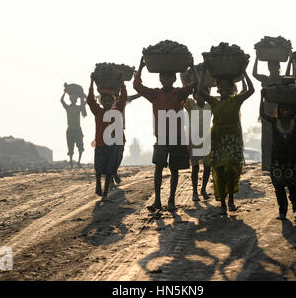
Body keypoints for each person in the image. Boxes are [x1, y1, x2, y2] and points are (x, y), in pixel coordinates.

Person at [133, 57, 197, 212]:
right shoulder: (155, 94)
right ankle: (157, 201)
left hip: (176, 137)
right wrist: (141, 66)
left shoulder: (180, 93)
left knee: (174, 169)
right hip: (161, 137)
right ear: (160, 79)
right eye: (163, 77)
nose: (166, 80)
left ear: (174, 79)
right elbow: (137, 86)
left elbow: (196, 84)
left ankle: (171, 200)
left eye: (169, 77)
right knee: (158, 167)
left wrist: (192, 67)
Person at [197, 65, 255, 215]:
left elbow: (252, 90)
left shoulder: (236, 101)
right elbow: (199, 91)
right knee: (220, 171)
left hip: (233, 139)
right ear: (217, 88)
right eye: (220, 86)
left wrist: (244, 72)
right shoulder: (214, 102)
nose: (223, 88)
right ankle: (223, 202)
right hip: (218, 139)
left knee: (231, 169)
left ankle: (231, 200)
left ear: (231, 89)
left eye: (226, 86)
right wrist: (203, 73)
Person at [259, 89, 296, 220]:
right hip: (277, 158)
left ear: (294, 109)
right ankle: (282, 211)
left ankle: (293, 201)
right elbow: (262, 113)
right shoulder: (274, 121)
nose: (285, 109)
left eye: (289, 107)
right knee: (278, 186)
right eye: (283, 107)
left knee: (293, 185)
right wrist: (261, 98)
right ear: (279, 109)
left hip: (293, 158)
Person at [253, 56, 296, 172]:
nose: (271, 67)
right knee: (267, 138)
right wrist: (257, 58)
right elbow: (254, 73)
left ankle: (280, 162)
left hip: (280, 110)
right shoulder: (265, 79)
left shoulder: (283, 79)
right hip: (267, 109)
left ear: (278, 66)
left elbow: (293, 76)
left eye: (274, 65)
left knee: (280, 136)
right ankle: (267, 164)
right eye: (270, 65)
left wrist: (292, 62)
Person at [87, 74, 127, 201]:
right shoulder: (98, 111)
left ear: (113, 101)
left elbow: (124, 98)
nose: (107, 103)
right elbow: (90, 100)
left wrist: (122, 83)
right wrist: (92, 82)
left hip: (113, 145)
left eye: (110, 101)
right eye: (105, 101)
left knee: (109, 170)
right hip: (100, 144)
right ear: (101, 102)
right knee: (98, 169)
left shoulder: (117, 111)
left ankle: (105, 193)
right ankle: (98, 184)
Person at [184, 88, 212, 202]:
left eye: (204, 94)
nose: (201, 97)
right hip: (194, 140)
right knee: (195, 167)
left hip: (206, 139)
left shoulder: (210, 106)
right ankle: (195, 192)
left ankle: (203, 189)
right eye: (198, 95)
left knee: (207, 166)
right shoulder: (191, 105)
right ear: (194, 96)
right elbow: (183, 94)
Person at [60, 85, 87, 168]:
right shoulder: (69, 107)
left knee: (80, 147)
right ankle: (72, 163)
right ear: (71, 100)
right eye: (73, 99)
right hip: (72, 130)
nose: (74, 100)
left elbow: (86, 101)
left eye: (75, 99)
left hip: (76, 130)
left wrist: (82, 95)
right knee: (71, 147)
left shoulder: (77, 108)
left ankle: (78, 162)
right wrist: (65, 92)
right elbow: (61, 100)